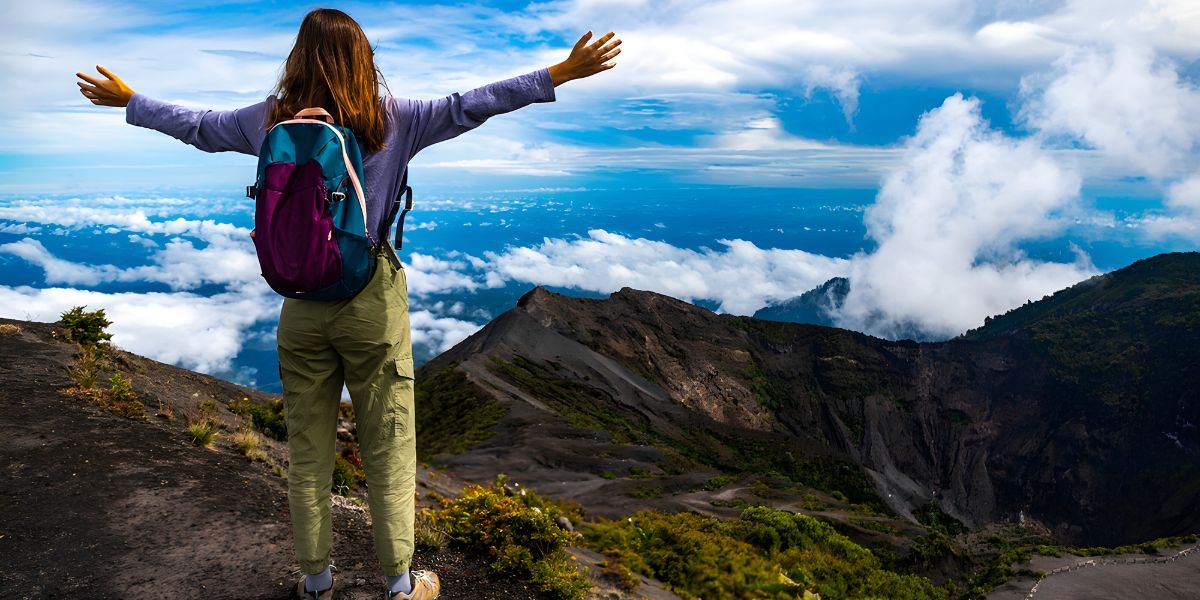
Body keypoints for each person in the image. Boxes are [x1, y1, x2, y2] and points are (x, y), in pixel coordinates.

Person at [75, 8, 621, 600]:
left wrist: (131, 101)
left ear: (297, 57)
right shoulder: (396, 117)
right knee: (387, 445)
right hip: (370, 299)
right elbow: (476, 101)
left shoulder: (269, 120)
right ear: (365, 59)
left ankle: (315, 583)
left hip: (300, 298)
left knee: (308, 451)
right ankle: (399, 587)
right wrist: (561, 72)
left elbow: (199, 126)